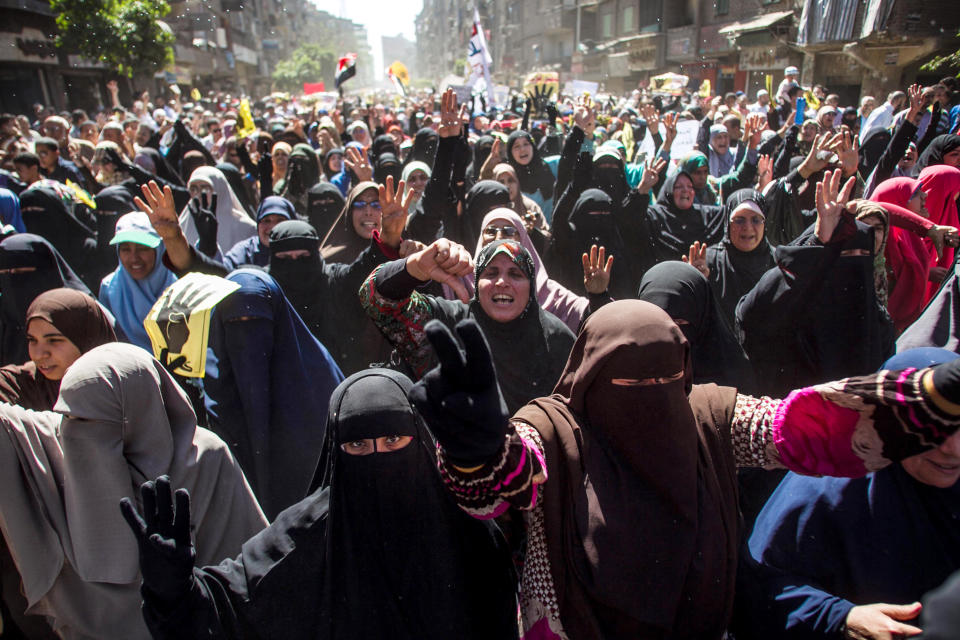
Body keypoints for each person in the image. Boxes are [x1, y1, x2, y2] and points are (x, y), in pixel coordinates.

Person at [410, 299, 960, 639]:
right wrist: (476, 452)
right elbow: (499, 487)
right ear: (589, 379)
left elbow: (800, 429)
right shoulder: (552, 433)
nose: (652, 400)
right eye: (628, 384)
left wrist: (917, 404)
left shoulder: (707, 417)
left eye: (665, 381)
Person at [122, 369, 519, 639]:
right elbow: (225, 611)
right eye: (358, 445)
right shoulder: (308, 535)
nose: (378, 456)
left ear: (422, 438)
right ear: (336, 451)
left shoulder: (467, 527)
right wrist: (172, 589)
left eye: (394, 442)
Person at [0, 343, 266, 639]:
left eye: (91, 421)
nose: (76, 432)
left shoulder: (206, 461)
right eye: (71, 420)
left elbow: (252, 572)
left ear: (140, 410)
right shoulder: (60, 452)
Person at [736, 351, 960, 640]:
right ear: (891, 424)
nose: (952, 448)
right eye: (935, 430)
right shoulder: (827, 489)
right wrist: (842, 617)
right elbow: (759, 586)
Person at [361, 238, 575, 413]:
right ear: (476, 282)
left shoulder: (556, 339)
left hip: (535, 461)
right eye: (491, 273)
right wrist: (415, 267)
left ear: (531, 286)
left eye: (515, 274)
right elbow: (375, 299)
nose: (502, 282)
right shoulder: (448, 321)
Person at [737, 170, 895, 397]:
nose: (850, 270)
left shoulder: (878, 323)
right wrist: (817, 243)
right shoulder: (797, 312)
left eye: (860, 256)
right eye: (842, 256)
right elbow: (750, 314)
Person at [204, 268, 344, 519]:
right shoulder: (207, 387)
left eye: (257, 324)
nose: (248, 338)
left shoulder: (319, 379)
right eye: (235, 324)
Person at [637, 261, 755, 391]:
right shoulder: (629, 373)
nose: (670, 335)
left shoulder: (733, 378)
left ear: (702, 316)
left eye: (679, 323)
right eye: (659, 323)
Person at [0, 288, 116, 410]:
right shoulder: (14, 387)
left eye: (54, 340)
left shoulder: (123, 390)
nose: (38, 355)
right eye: (32, 340)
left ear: (88, 340)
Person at [0, 234, 92, 366]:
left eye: (19, 273)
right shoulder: (5, 316)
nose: (10, 281)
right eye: (3, 274)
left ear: (45, 272)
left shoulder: (82, 313)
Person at [98, 211, 177, 352]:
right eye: (125, 249)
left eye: (143, 249)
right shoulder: (110, 289)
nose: (134, 258)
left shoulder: (179, 286)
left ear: (159, 249)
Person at [701, 189, 776, 329]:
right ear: (728, 224)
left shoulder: (778, 262)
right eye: (739, 220)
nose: (747, 227)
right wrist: (697, 282)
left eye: (756, 220)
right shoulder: (709, 261)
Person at [180, 166, 257, 257]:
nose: (199, 193)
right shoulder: (183, 224)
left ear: (219, 189)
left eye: (205, 188)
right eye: (193, 189)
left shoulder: (246, 228)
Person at [221, 195, 295, 270]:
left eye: (280, 221)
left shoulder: (299, 252)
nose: (273, 227)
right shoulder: (246, 251)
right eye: (266, 221)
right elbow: (223, 271)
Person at [319, 180, 381, 264]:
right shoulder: (329, 261)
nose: (368, 212)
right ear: (349, 212)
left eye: (376, 205)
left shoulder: (401, 255)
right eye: (359, 205)